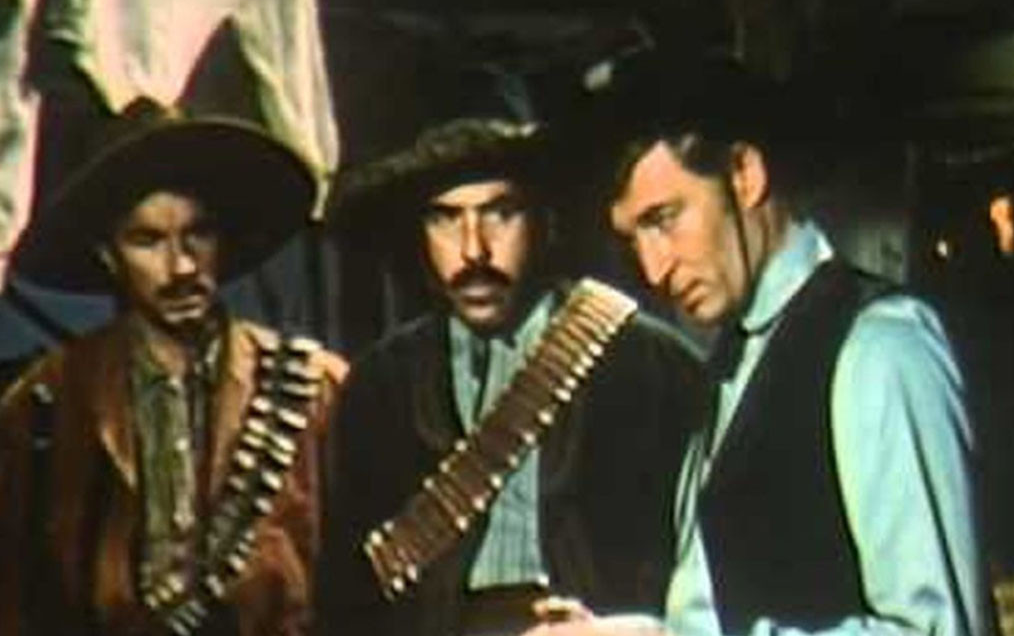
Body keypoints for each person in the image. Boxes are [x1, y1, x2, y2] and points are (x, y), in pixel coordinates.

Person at [529, 54, 994, 636]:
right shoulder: (731, 363)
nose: (653, 268)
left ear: (745, 174)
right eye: (633, 239)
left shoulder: (879, 348)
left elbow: (938, 631)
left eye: (664, 219)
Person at [318, 117, 706, 636]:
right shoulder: (381, 386)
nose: (473, 250)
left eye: (500, 213)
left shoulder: (647, 364)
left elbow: (703, 572)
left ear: (544, 222)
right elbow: (349, 592)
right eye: (445, 219)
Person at [0, 100, 346, 636]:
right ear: (108, 255)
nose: (181, 266)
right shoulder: (47, 400)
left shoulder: (313, 386)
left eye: (197, 234)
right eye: (148, 240)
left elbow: (355, 580)